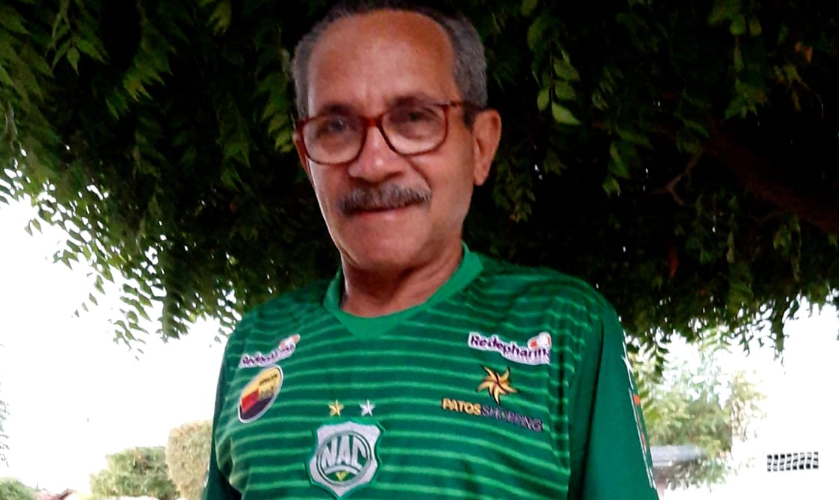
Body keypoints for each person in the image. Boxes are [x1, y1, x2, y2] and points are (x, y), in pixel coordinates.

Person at [202, 2, 659, 499]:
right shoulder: (255, 344)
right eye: (336, 127)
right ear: (305, 159)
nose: (373, 164)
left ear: (480, 145)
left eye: (414, 119)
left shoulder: (565, 329)